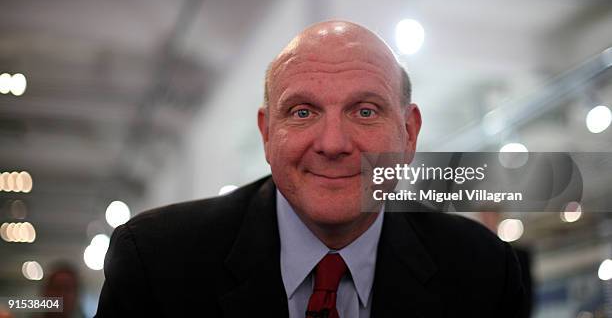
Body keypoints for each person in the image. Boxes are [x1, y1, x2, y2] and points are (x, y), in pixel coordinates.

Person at [95, 20, 527, 317]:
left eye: (365, 111)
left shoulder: (483, 272)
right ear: (267, 133)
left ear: (409, 133)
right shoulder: (155, 262)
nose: (333, 144)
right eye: (302, 112)